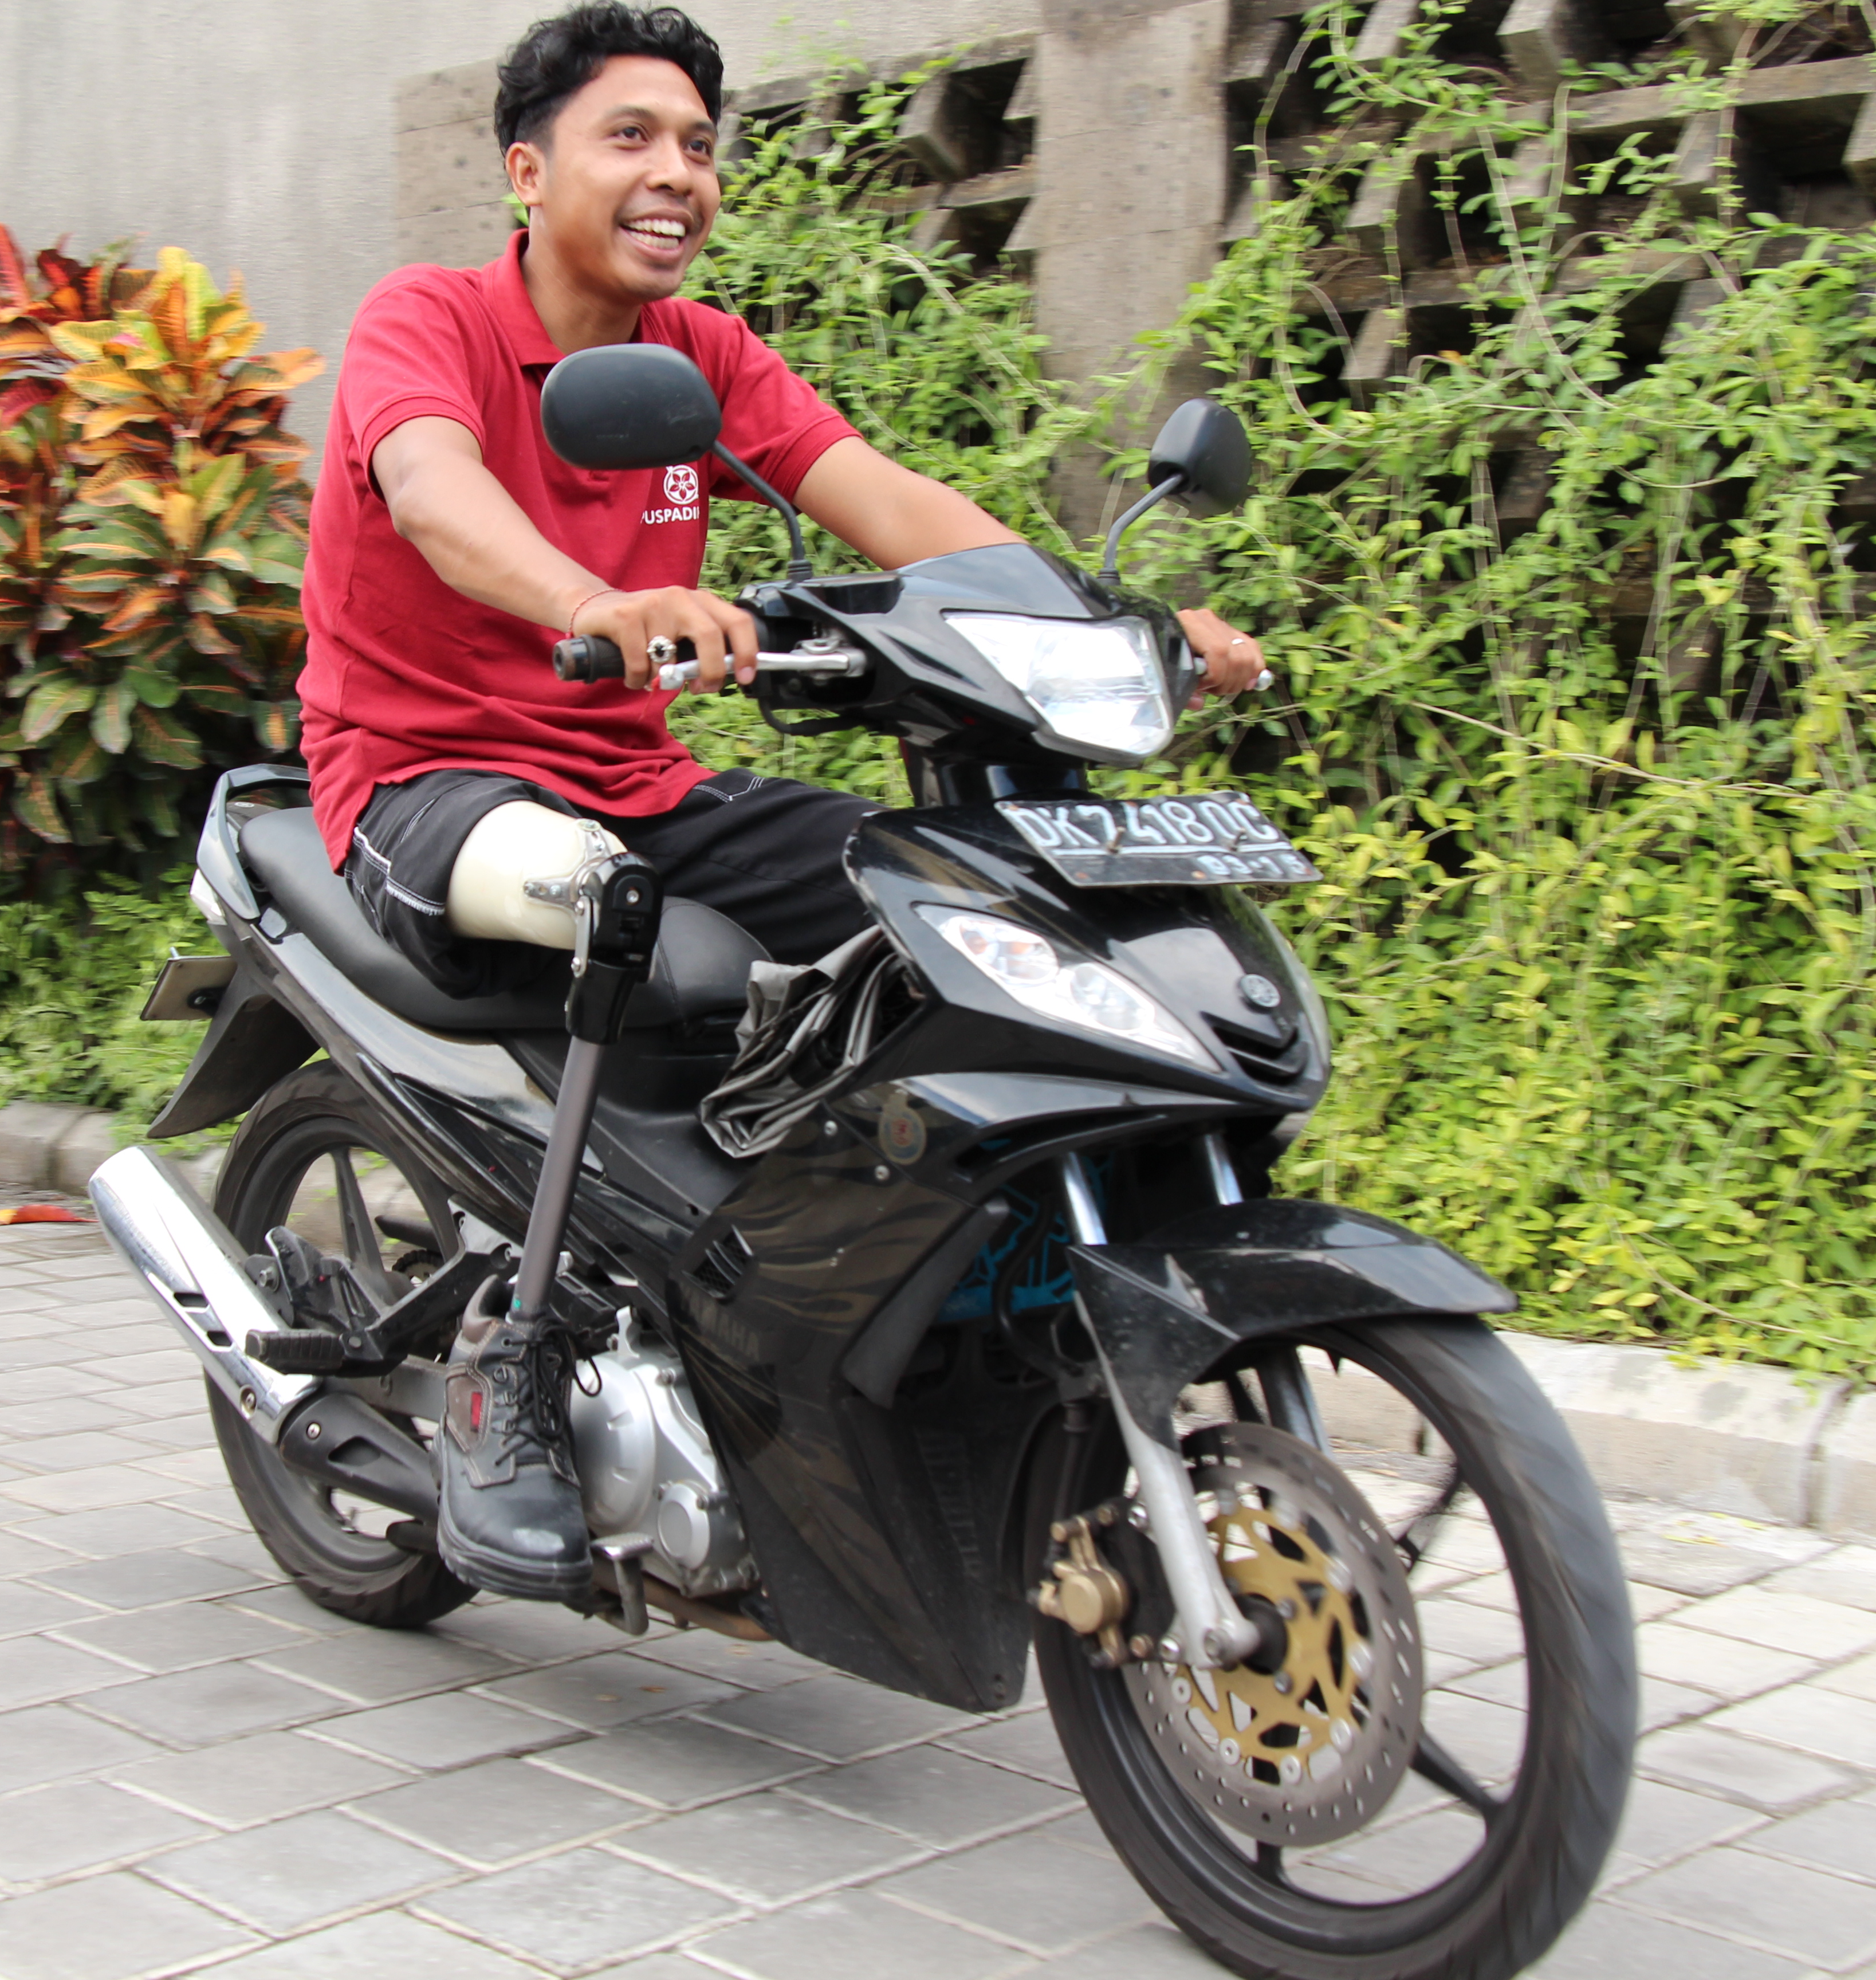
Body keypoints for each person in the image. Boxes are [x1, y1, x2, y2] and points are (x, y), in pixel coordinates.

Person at [295, 3, 1267, 1598]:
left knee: (954, 891)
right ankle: (510, 1361)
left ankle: (812, 1275)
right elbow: (433, 490)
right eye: (632, 138)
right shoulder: (432, 321)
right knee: (625, 922)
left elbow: (888, 502)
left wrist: (1118, 624)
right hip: (430, 781)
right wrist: (588, 600)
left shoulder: (699, 357)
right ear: (528, 172)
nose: (677, 171)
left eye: (696, 142)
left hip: (640, 776)